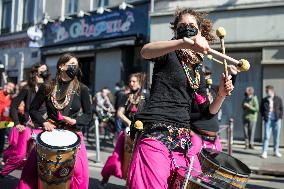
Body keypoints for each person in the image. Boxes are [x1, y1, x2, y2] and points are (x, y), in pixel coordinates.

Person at [127, 8, 234, 189]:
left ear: (199, 31)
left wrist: (221, 94)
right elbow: (145, 52)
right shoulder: (168, 51)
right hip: (156, 131)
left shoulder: (197, 67)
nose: (187, 28)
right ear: (176, 30)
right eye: (182, 26)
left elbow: (206, 112)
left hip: (183, 139)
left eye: (192, 26)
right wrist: (182, 43)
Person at [17, 53, 92, 189]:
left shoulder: (82, 88)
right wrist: (43, 122)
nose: (75, 68)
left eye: (76, 66)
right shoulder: (47, 87)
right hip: (50, 133)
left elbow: (88, 114)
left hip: (73, 134)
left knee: (80, 173)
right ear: (62, 66)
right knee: (31, 171)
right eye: (72, 65)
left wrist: (76, 121)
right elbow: (33, 109)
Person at [0, 63, 49, 177]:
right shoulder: (28, 88)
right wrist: (17, 123)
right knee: (20, 155)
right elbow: (13, 106)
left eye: (46, 70)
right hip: (28, 126)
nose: (44, 72)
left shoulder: (49, 87)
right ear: (36, 72)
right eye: (42, 70)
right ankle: (3, 172)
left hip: (44, 127)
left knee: (38, 159)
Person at [100, 73, 147, 188]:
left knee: (139, 161)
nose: (131, 83)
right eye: (130, 81)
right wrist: (130, 123)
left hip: (142, 133)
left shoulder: (147, 96)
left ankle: (132, 183)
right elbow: (119, 113)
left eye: (134, 81)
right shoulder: (125, 96)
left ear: (140, 83)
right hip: (127, 131)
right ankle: (105, 178)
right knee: (116, 157)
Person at [260, 85, 283, 158]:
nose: (266, 92)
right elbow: (261, 109)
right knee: (266, 136)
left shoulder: (278, 99)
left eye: (267, 91)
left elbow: (281, 108)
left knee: (276, 136)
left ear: (272, 91)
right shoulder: (264, 100)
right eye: (266, 91)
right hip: (268, 120)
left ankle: (276, 151)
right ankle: (264, 152)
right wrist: (264, 116)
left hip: (276, 120)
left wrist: (280, 117)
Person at [0, 81, 15, 160]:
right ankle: (2, 154)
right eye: (9, 86)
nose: (10, 88)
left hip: (8, 122)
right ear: (5, 86)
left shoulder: (12, 98)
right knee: (1, 139)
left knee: (12, 138)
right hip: (0, 121)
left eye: (12, 87)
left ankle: (8, 154)